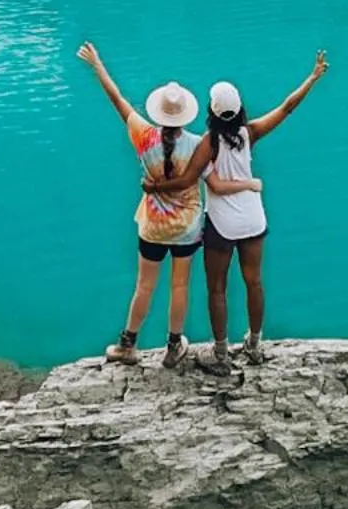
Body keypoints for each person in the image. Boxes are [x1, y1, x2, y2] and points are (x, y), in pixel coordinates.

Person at [76, 40, 258, 369]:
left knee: (144, 285)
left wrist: (98, 65)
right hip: (187, 230)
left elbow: (116, 98)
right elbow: (212, 183)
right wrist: (249, 185)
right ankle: (174, 347)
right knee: (180, 285)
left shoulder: (143, 136)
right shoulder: (199, 145)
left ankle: (127, 343)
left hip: (152, 227)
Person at [149, 50, 328, 371]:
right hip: (254, 219)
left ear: (211, 111)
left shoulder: (209, 142)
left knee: (217, 288)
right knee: (254, 282)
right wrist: (312, 78)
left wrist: (155, 188)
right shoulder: (250, 133)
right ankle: (255, 345)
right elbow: (287, 108)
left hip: (222, 224)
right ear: (240, 109)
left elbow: (188, 179)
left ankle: (221, 354)